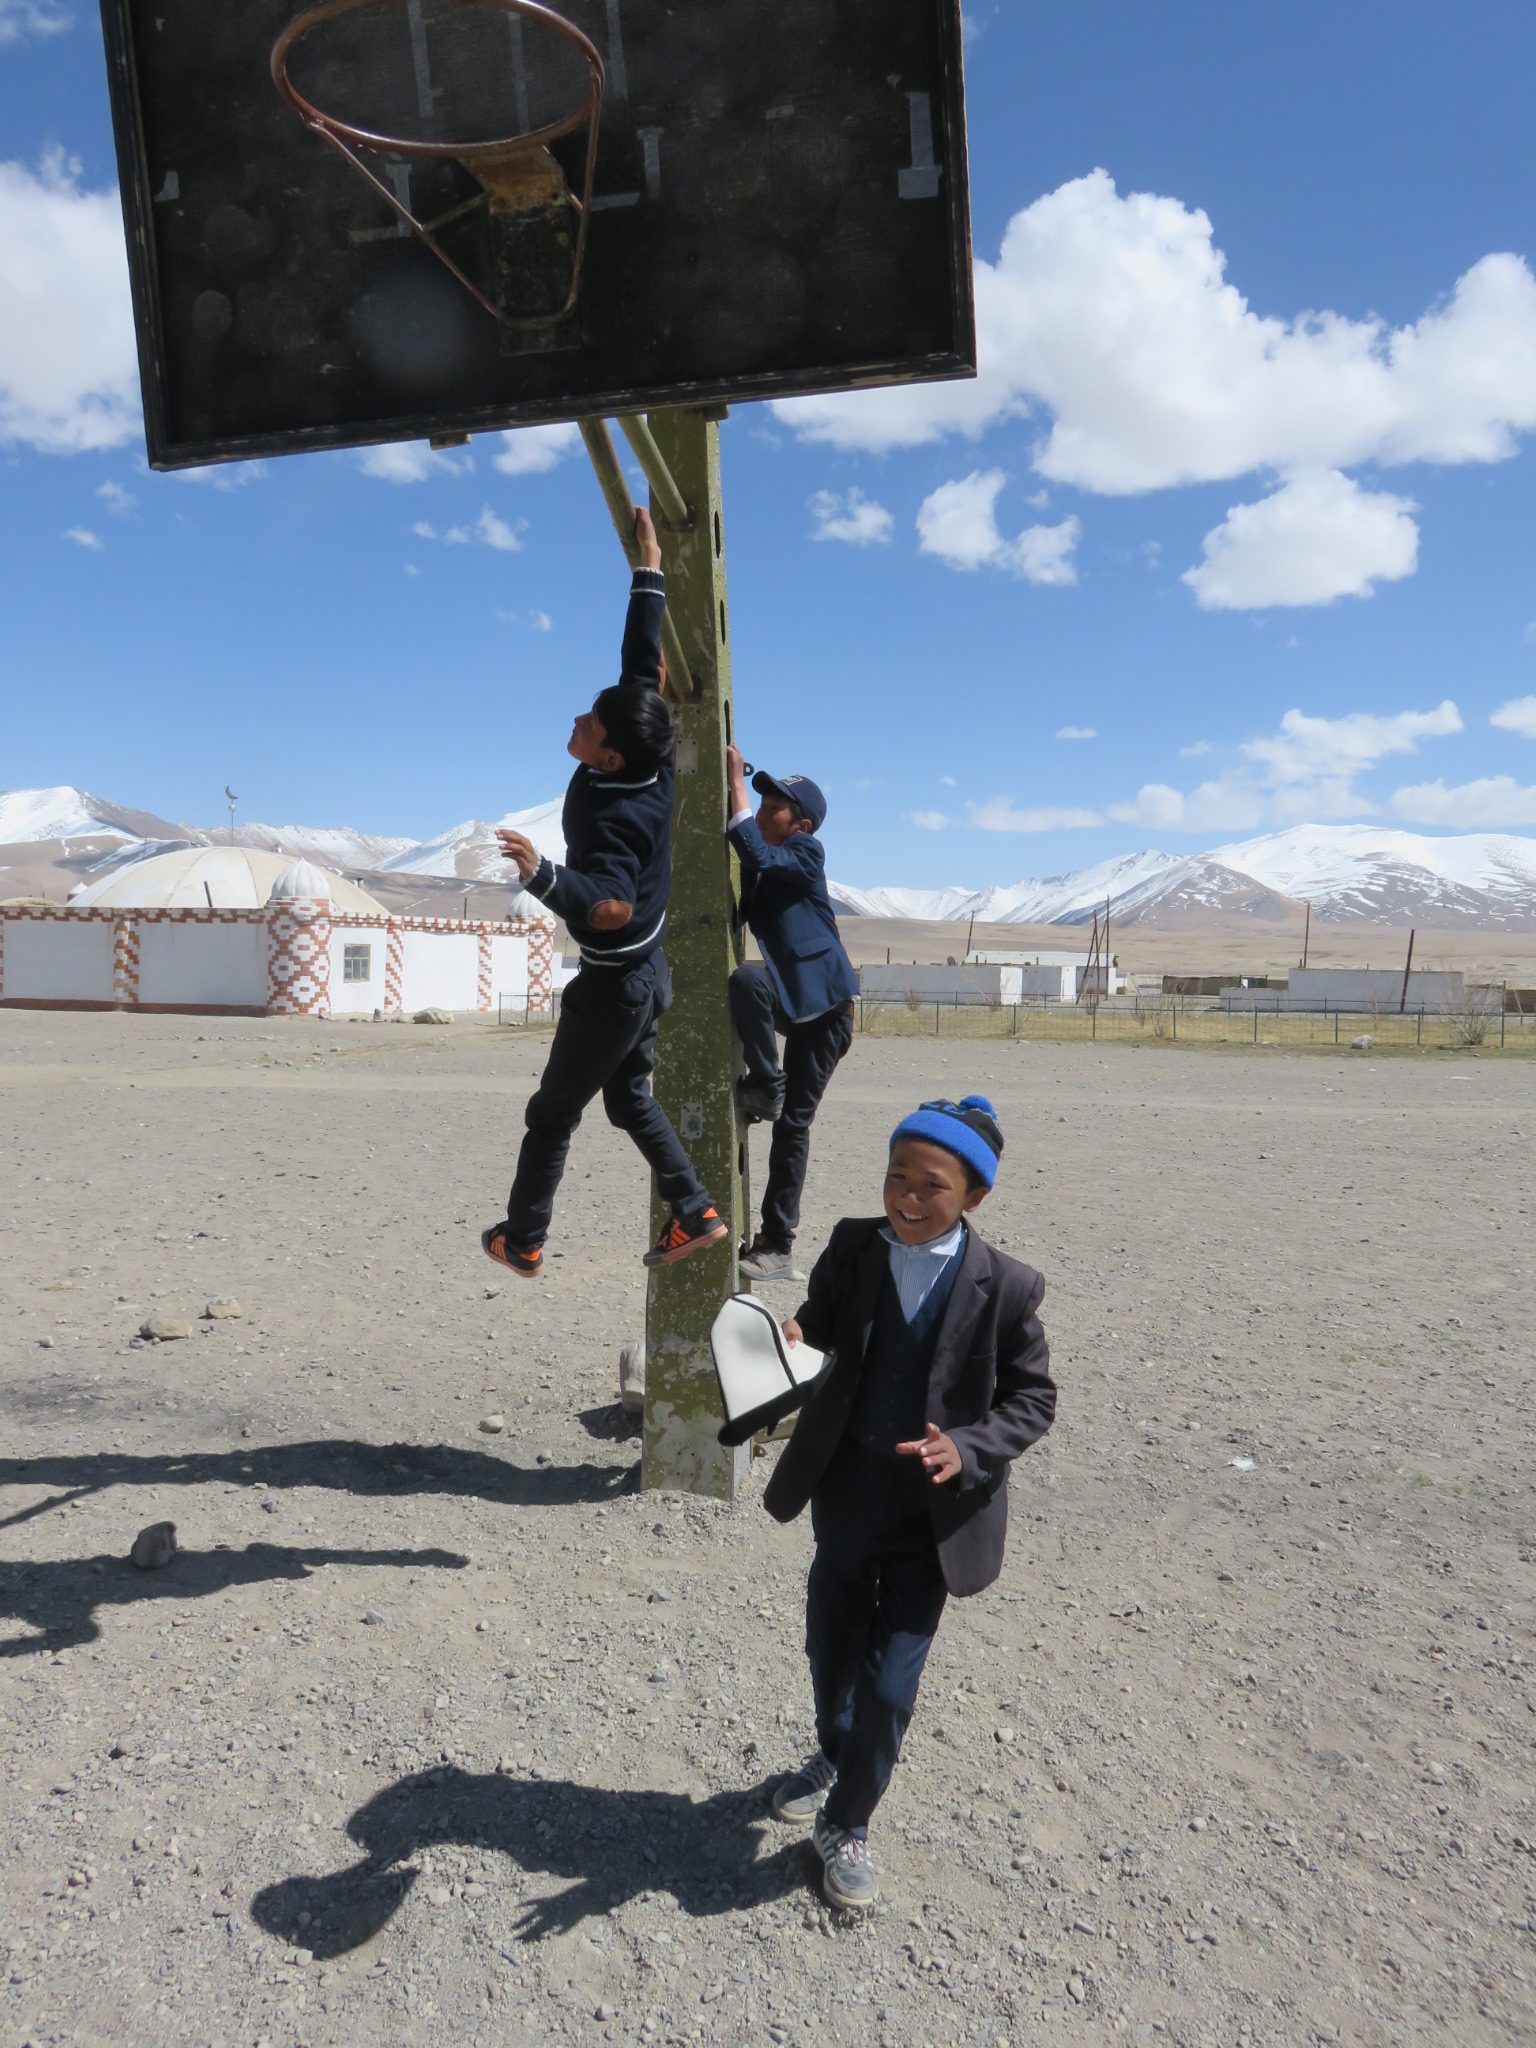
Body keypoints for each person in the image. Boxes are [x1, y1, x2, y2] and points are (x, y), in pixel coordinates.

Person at [761, 1095, 1056, 1910]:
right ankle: (834, 1749)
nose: (907, 1199)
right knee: (831, 1652)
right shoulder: (854, 1247)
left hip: (933, 1517)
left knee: (891, 1683)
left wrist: (966, 1447)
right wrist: (789, 1336)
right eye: (897, 1178)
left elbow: (1034, 1401)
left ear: (974, 1196)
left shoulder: (1007, 1289)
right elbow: (820, 1324)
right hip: (847, 1491)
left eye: (931, 1186)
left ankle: (846, 1820)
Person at [482, 507, 726, 1278]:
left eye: (588, 727)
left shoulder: (621, 815)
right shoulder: (640, 749)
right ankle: (697, 1213)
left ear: (611, 757)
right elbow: (640, 663)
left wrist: (544, 875)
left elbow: (611, 904)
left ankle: (522, 1241)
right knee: (627, 1103)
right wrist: (647, 569)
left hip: (617, 983)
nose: (578, 721)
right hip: (647, 978)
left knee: (552, 1114)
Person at [724, 743, 858, 1281]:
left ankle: (777, 1244)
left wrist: (735, 783)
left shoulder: (805, 855)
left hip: (825, 1009)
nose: (763, 808)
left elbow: (756, 853)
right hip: (791, 1000)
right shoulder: (763, 862)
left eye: (775, 805)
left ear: (801, 825)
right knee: (749, 982)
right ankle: (766, 1081)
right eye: (760, 800)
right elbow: (751, 858)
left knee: (793, 1127)